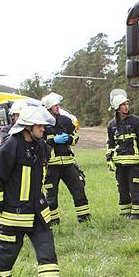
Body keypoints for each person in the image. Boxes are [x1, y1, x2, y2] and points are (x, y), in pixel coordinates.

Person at [0, 105, 69, 277]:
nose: (43, 129)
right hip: (13, 213)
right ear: (27, 127)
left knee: (46, 246)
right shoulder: (10, 146)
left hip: (37, 210)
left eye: (43, 126)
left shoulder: (41, 146)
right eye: (39, 126)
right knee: (8, 251)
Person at [41, 92, 90, 224]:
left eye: (58, 105)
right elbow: (39, 144)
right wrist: (53, 141)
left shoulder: (66, 121)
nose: (58, 107)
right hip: (51, 165)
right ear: (48, 108)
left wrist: (69, 138)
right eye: (55, 106)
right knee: (51, 195)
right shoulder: (41, 124)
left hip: (68, 163)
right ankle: (53, 221)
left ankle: (84, 218)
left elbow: (75, 137)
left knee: (78, 189)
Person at [106, 88, 139, 220]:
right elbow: (110, 143)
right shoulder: (111, 125)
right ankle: (125, 212)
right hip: (119, 162)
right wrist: (109, 159)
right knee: (122, 188)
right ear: (117, 108)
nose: (126, 107)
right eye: (123, 105)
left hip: (134, 162)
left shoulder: (137, 121)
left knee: (134, 187)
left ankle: (137, 213)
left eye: (127, 104)